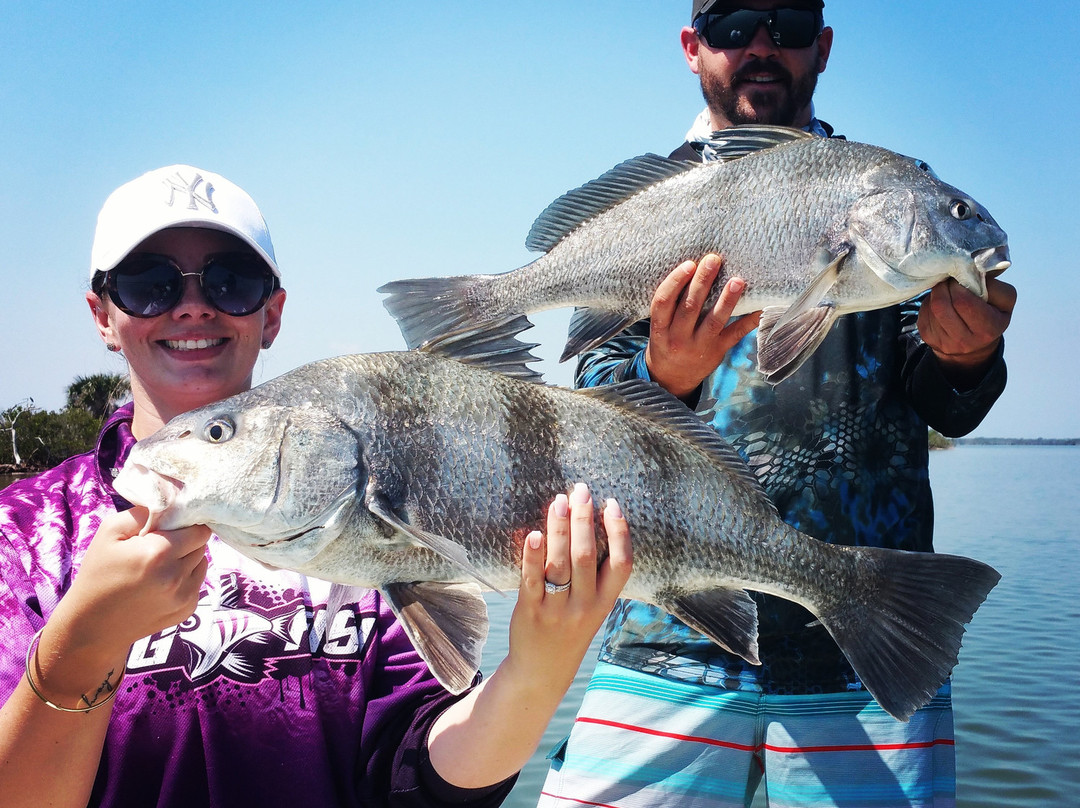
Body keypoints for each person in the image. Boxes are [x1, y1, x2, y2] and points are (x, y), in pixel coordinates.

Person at [0, 164, 633, 808]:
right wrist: (81, 648)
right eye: (148, 283)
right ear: (101, 316)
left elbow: (416, 780)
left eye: (231, 280)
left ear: (272, 314)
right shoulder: (23, 535)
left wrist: (539, 667)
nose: (192, 304)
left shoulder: (350, 518)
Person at [538, 2, 1016, 807]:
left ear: (823, 46)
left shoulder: (894, 191)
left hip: (874, 642)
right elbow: (588, 409)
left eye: (788, 22)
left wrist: (967, 356)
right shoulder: (640, 210)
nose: (761, 46)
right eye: (731, 27)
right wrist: (666, 375)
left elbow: (945, 400)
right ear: (693, 48)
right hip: (669, 633)